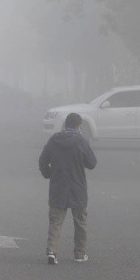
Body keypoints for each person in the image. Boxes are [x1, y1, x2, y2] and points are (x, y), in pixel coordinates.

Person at [38, 112, 97, 265]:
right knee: (80, 222)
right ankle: (79, 254)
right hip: (77, 186)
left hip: (58, 186)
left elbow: (42, 161)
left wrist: (49, 174)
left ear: (65, 125)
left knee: (56, 221)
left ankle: (52, 252)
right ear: (79, 126)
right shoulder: (81, 141)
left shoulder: (53, 140)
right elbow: (92, 163)